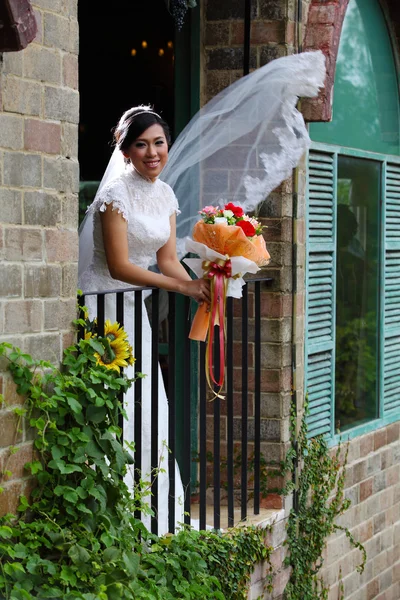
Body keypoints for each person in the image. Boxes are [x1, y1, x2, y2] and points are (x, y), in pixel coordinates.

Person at [78, 105, 210, 535]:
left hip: (135, 312)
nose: (152, 152)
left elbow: (167, 259)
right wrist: (180, 289)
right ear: (127, 150)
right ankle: (111, 509)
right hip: (105, 310)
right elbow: (118, 266)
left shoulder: (165, 194)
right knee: (117, 407)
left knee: (149, 405)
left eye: (159, 143)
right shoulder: (115, 194)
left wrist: (202, 285)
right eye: (141, 144)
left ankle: (153, 512)